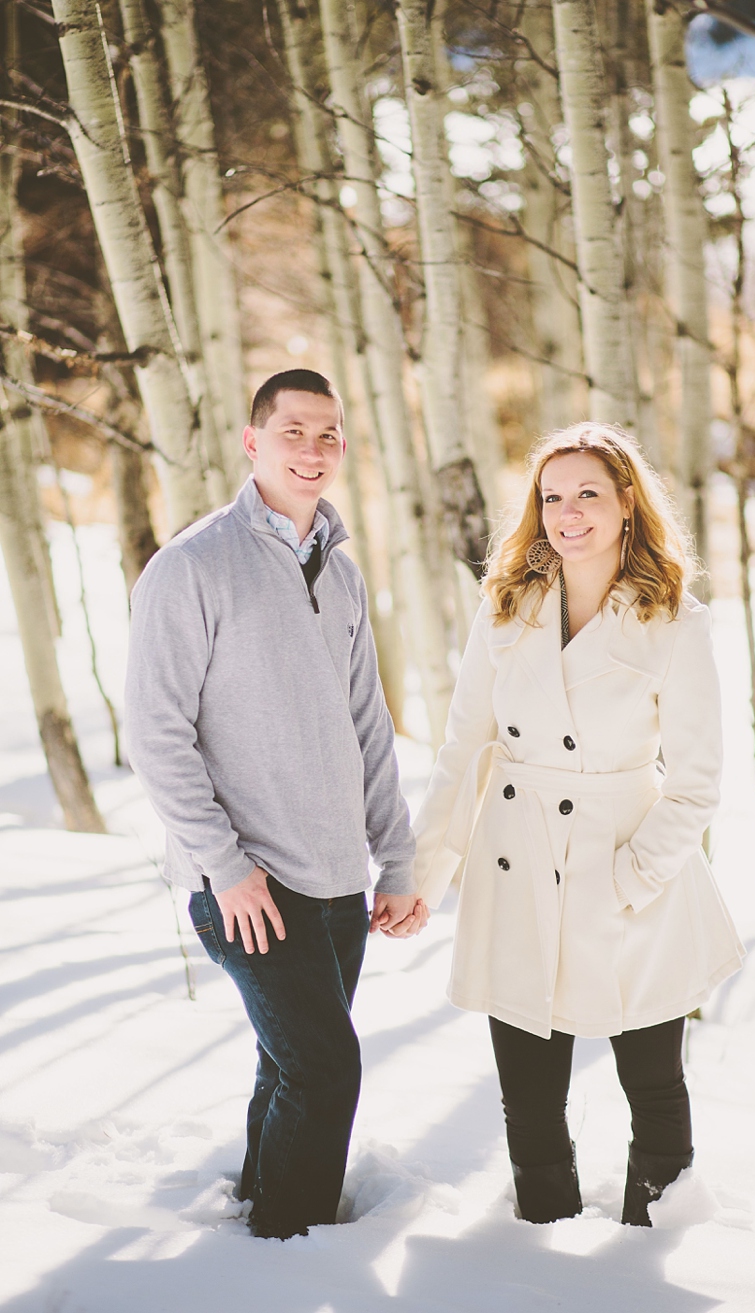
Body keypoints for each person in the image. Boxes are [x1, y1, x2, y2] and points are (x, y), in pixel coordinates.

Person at [412, 422, 744, 1227]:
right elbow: (463, 748)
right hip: (516, 862)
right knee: (527, 1094)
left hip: (630, 871)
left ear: (627, 503)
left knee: (653, 1086)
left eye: (588, 492)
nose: (568, 512)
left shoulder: (675, 619)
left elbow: (696, 783)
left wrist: (629, 876)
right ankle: (536, 1247)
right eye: (551, 496)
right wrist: (420, 875)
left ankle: (654, 1238)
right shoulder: (506, 606)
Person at [125, 368, 428, 1240]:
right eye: (293, 431)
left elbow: (366, 720)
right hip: (249, 883)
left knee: (287, 1065)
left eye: (329, 434)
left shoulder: (339, 568)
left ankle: (257, 1230)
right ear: (252, 442)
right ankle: (290, 1253)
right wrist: (227, 870)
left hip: (339, 879)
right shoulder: (191, 566)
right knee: (326, 1070)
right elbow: (157, 735)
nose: (313, 449)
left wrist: (396, 856)